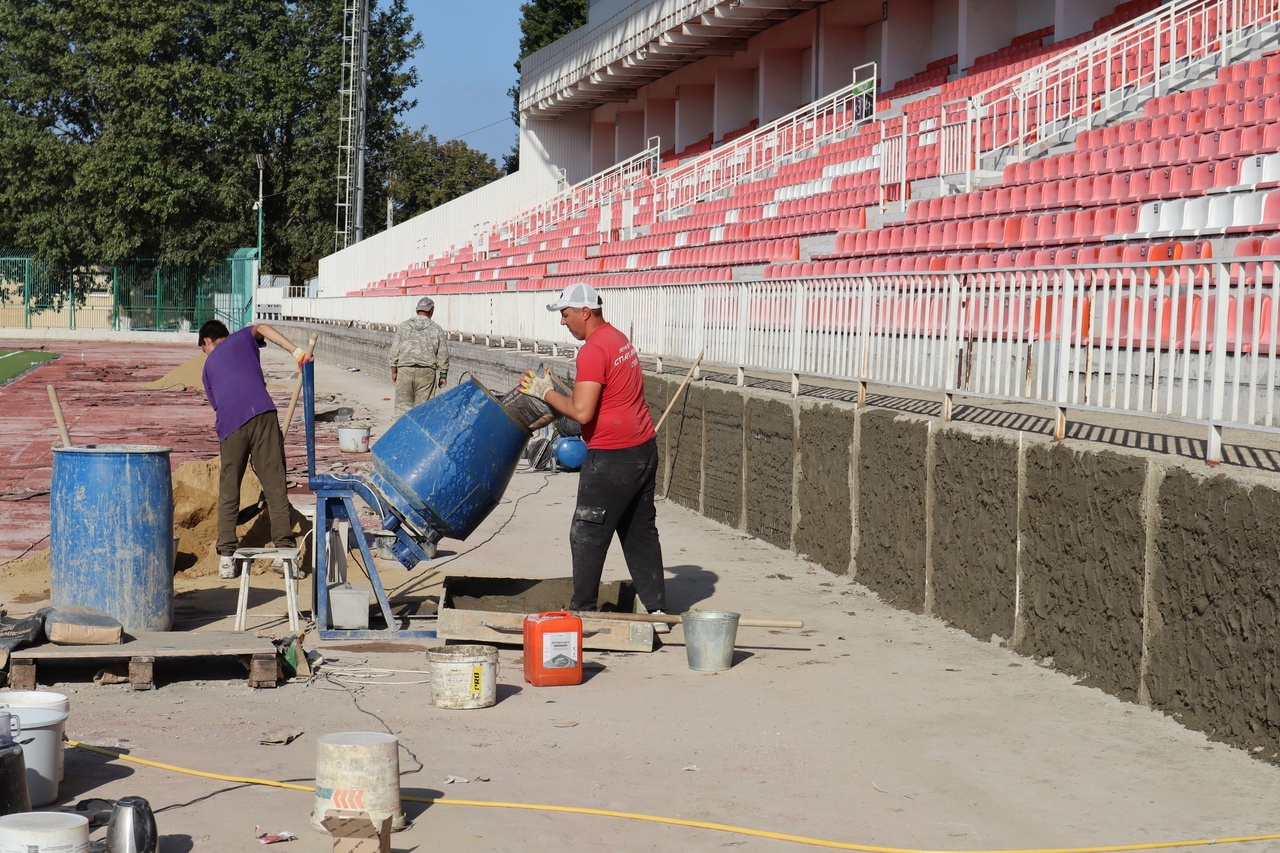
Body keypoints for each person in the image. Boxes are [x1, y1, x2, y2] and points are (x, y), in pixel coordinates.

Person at [519, 282, 667, 624]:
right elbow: (604, 399)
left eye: (566, 315)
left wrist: (545, 392)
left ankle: (582, 609)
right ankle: (657, 608)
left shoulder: (593, 350)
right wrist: (562, 391)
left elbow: (583, 413)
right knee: (638, 530)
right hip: (642, 448)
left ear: (585, 312)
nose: (563, 322)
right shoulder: (617, 339)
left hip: (613, 456)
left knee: (587, 530)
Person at [198, 320, 312, 579]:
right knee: (275, 484)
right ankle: (286, 553)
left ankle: (226, 557)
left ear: (206, 341)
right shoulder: (242, 338)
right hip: (262, 413)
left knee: (229, 488)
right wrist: (296, 351)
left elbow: (219, 404)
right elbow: (262, 327)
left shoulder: (207, 367)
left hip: (230, 426)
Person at [389, 296, 450, 418]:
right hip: (426, 372)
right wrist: (443, 375)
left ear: (417, 309)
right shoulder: (436, 329)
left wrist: (394, 370)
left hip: (405, 370)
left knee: (402, 408)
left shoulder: (403, 326)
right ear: (431, 310)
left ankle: (402, 434)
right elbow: (443, 354)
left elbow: (394, 350)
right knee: (423, 409)